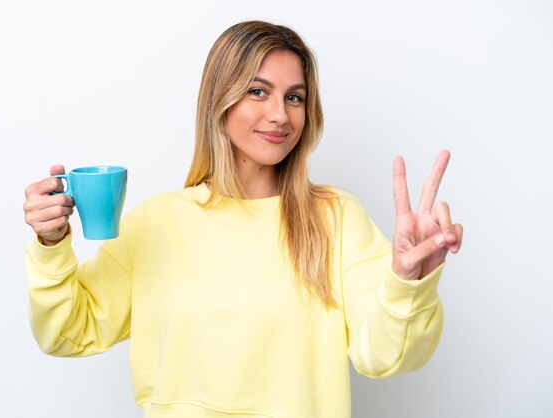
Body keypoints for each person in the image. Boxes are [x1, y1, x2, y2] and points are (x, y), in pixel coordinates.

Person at [23, 20, 463, 418]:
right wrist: (52, 245)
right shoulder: (156, 222)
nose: (280, 114)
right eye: (258, 91)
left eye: (295, 97)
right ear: (220, 99)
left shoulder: (336, 218)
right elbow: (67, 333)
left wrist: (409, 282)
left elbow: (386, 355)